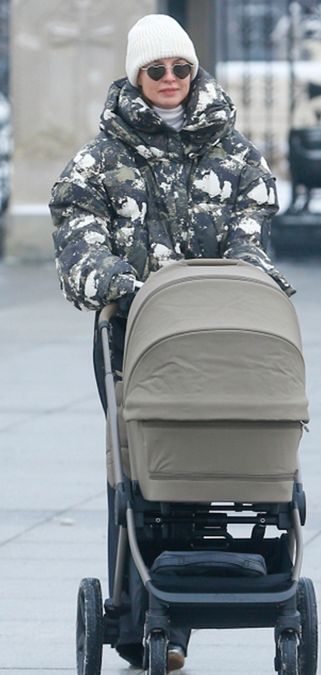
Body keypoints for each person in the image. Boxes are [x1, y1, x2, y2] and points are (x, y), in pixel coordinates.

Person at [49, 14, 293, 671]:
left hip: (219, 336)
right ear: (136, 74)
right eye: (155, 69)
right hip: (134, 338)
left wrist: (242, 275)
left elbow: (254, 222)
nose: (169, 80)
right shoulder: (99, 159)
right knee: (140, 473)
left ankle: (190, 601)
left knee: (217, 462)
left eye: (180, 68)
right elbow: (77, 242)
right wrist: (123, 285)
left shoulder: (231, 150)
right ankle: (141, 618)